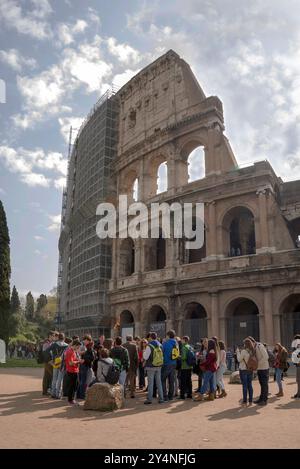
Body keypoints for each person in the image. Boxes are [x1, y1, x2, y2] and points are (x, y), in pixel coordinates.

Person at [143, 332, 165, 405]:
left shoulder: (149, 345)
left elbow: (145, 357)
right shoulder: (160, 345)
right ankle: (161, 398)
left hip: (150, 366)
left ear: (150, 337)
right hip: (159, 365)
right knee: (159, 383)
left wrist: (144, 351)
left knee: (151, 383)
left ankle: (149, 399)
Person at [249, 337, 270, 406]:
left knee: (264, 384)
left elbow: (266, 357)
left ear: (253, 342)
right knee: (261, 384)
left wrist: (257, 363)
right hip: (260, 368)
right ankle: (261, 398)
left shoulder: (260, 346)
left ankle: (264, 400)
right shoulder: (254, 347)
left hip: (264, 368)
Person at [48, 332, 68, 399]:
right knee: (60, 379)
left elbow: (46, 351)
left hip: (55, 362)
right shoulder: (67, 345)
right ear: (64, 338)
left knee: (54, 378)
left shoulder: (54, 344)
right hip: (62, 363)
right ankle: (58, 394)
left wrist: (50, 360)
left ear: (58, 338)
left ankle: (53, 393)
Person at [161, 330, 178, 401]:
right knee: (171, 381)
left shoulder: (165, 343)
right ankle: (170, 396)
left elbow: (162, 352)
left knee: (162, 379)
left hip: (166, 363)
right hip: (174, 363)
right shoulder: (176, 343)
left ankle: (165, 396)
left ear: (168, 335)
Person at [77, 335, 96, 399]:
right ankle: (81, 395)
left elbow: (91, 357)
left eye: (86, 340)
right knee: (83, 381)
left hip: (84, 365)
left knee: (83, 380)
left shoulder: (88, 347)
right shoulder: (85, 346)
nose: (85, 341)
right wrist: (85, 353)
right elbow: (78, 353)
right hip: (84, 365)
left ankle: (80, 395)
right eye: (85, 340)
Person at [237, 339, 254, 407]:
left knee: (244, 385)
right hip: (250, 369)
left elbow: (239, 359)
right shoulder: (252, 351)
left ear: (245, 344)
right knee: (250, 385)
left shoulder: (243, 351)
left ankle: (244, 401)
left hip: (243, 369)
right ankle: (250, 401)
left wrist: (238, 352)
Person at [64, 339, 82, 406]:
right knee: (73, 386)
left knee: (75, 385)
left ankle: (71, 399)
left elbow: (73, 360)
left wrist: (78, 360)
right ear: (74, 345)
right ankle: (70, 399)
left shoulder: (73, 351)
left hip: (74, 370)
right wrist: (78, 361)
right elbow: (70, 363)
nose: (78, 348)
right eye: (78, 347)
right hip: (72, 371)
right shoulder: (70, 352)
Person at [42, 331, 56, 396]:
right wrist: (50, 361)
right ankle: (48, 390)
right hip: (48, 362)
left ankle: (45, 391)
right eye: (53, 336)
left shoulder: (51, 343)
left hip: (50, 362)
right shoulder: (46, 343)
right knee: (51, 376)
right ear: (50, 336)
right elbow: (45, 354)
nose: (54, 337)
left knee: (47, 376)